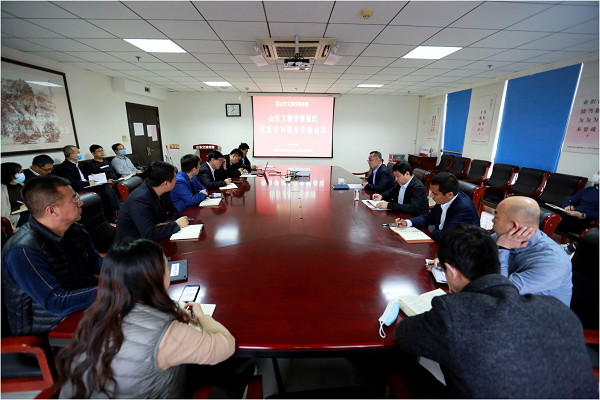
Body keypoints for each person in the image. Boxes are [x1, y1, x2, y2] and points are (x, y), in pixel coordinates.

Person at [395, 224, 598, 399]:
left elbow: (405, 335)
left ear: (453, 271)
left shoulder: (452, 313)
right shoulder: (556, 308)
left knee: (400, 364)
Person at [55, 239, 237, 398]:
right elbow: (225, 345)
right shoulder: (165, 333)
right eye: (166, 267)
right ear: (155, 278)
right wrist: (202, 317)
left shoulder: (93, 316)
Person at [1, 176, 102, 337]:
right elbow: (56, 302)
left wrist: (134, 270)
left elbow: (96, 263)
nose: (80, 203)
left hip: (83, 306)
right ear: (52, 210)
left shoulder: (75, 231)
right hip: (49, 329)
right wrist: (115, 291)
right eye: (74, 199)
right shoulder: (22, 251)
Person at [491, 196, 573, 306]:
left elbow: (499, 292)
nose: (492, 220)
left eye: (496, 216)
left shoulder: (554, 263)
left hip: (539, 313)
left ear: (514, 225)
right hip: (514, 302)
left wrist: (503, 248)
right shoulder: (505, 236)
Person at [114, 161, 189, 243]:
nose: (176, 180)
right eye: (175, 178)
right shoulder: (140, 200)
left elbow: (174, 212)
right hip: (131, 245)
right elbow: (149, 234)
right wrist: (176, 225)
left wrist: (167, 223)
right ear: (166, 183)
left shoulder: (162, 189)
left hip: (151, 239)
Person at [395, 172, 479, 242]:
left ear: (449, 194)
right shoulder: (443, 199)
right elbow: (428, 218)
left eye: (435, 193)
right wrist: (407, 222)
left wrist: (433, 230)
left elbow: (444, 237)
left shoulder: (463, 208)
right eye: (431, 192)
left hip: (461, 250)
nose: (431, 196)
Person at [53, 145, 120, 223]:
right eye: (78, 152)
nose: (80, 154)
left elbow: (84, 177)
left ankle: (116, 210)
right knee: (101, 195)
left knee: (106, 186)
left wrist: (92, 177)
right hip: (80, 188)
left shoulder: (78, 164)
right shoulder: (64, 167)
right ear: (72, 155)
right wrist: (88, 183)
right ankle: (109, 218)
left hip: (88, 185)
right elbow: (71, 182)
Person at [558, 171, 599, 254]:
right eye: (598, 173)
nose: (597, 175)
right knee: (542, 208)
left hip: (585, 220)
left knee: (555, 219)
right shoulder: (589, 189)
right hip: (571, 214)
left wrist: (583, 215)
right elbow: (569, 200)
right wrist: (567, 206)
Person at [1, 162, 28, 230]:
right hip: (16, 217)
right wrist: (19, 208)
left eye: (21, 171)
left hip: (29, 211)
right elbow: (3, 212)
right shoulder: (2, 190)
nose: (21, 174)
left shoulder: (22, 185)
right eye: (18, 172)